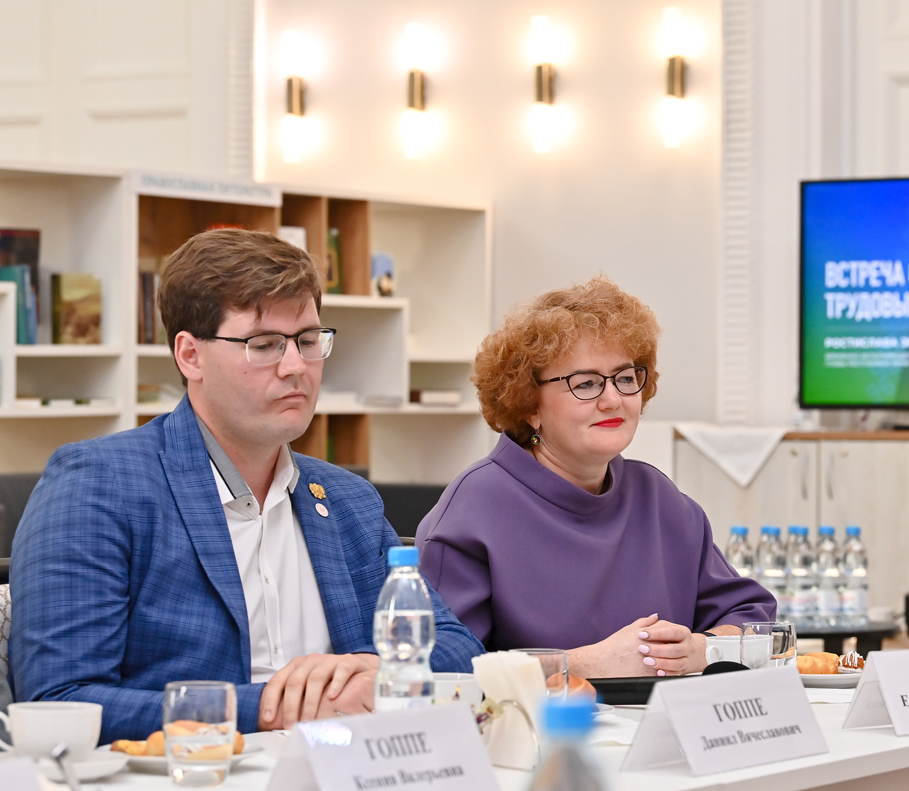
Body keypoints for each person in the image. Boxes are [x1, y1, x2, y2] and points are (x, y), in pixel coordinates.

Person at [9, 229, 484, 743]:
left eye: (307, 341)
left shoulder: (347, 499)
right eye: (264, 345)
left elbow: (459, 649)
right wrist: (275, 708)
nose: (296, 367)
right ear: (190, 356)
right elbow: (59, 700)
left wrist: (377, 669)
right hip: (190, 773)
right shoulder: (97, 485)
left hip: (345, 767)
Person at [417, 276, 774, 678]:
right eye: (585, 383)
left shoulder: (659, 498)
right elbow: (440, 672)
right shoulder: (474, 508)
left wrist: (703, 648)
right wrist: (584, 665)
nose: (613, 399)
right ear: (528, 405)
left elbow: (754, 619)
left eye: (625, 378)